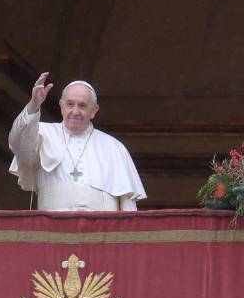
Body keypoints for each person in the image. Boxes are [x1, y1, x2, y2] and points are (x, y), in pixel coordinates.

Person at [8, 73, 146, 211]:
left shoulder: (114, 147)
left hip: (101, 230)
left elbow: (128, 205)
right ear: (61, 106)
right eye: (70, 104)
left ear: (94, 111)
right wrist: (34, 105)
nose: (75, 111)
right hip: (53, 228)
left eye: (82, 106)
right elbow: (17, 143)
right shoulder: (41, 133)